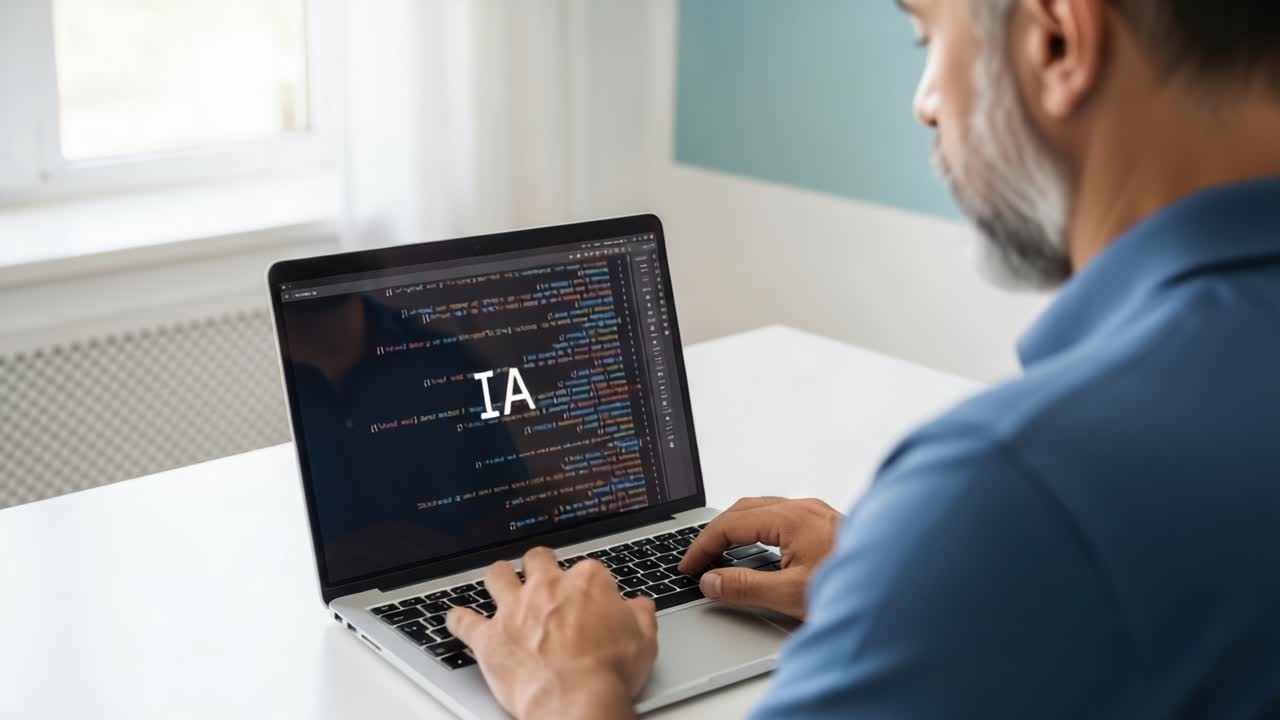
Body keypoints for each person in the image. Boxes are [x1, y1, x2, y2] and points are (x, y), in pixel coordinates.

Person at [445, 0, 1280, 716]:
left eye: (929, 36)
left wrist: (574, 691)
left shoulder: (1011, 488)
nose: (926, 102)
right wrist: (912, 596)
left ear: (1056, 39)